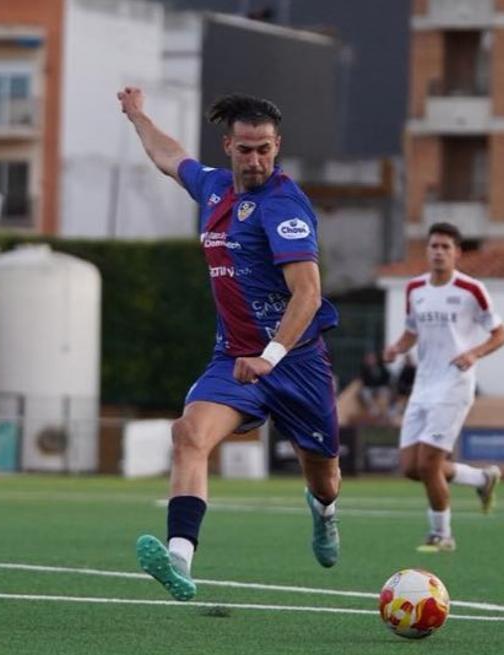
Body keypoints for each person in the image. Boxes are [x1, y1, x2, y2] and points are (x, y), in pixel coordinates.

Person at [117, 88, 342, 601]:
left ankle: (325, 513)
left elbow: (307, 294)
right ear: (228, 147)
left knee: (325, 478)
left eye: (264, 148)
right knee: (189, 434)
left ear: (277, 146)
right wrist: (136, 115)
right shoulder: (215, 189)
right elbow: (169, 156)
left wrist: (271, 356)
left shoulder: (284, 206)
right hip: (234, 359)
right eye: (245, 149)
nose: (256, 159)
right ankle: (179, 558)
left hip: (296, 363)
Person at [383, 222, 504, 553]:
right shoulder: (415, 289)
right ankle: (481, 479)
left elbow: (500, 334)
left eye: (445, 247)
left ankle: (442, 535)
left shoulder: (472, 290)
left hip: (455, 385)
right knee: (411, 468)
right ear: (427, 250)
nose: (438, 252)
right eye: (434, 246)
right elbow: (412, 331)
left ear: (457, 253)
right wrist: (396, 347)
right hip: (423, 386)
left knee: (428, 464)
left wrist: (474, 352)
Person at [357, 350, 393, 419]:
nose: (371, 361)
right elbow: (363, 381)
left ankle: (387, 411)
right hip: (369, 388)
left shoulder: (381, 367)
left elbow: (386, 377)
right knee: (364, 393)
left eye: (372, 359)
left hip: (379, 387)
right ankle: (374, 410)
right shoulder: (365, 369)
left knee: (386, 391)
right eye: (369, 359)